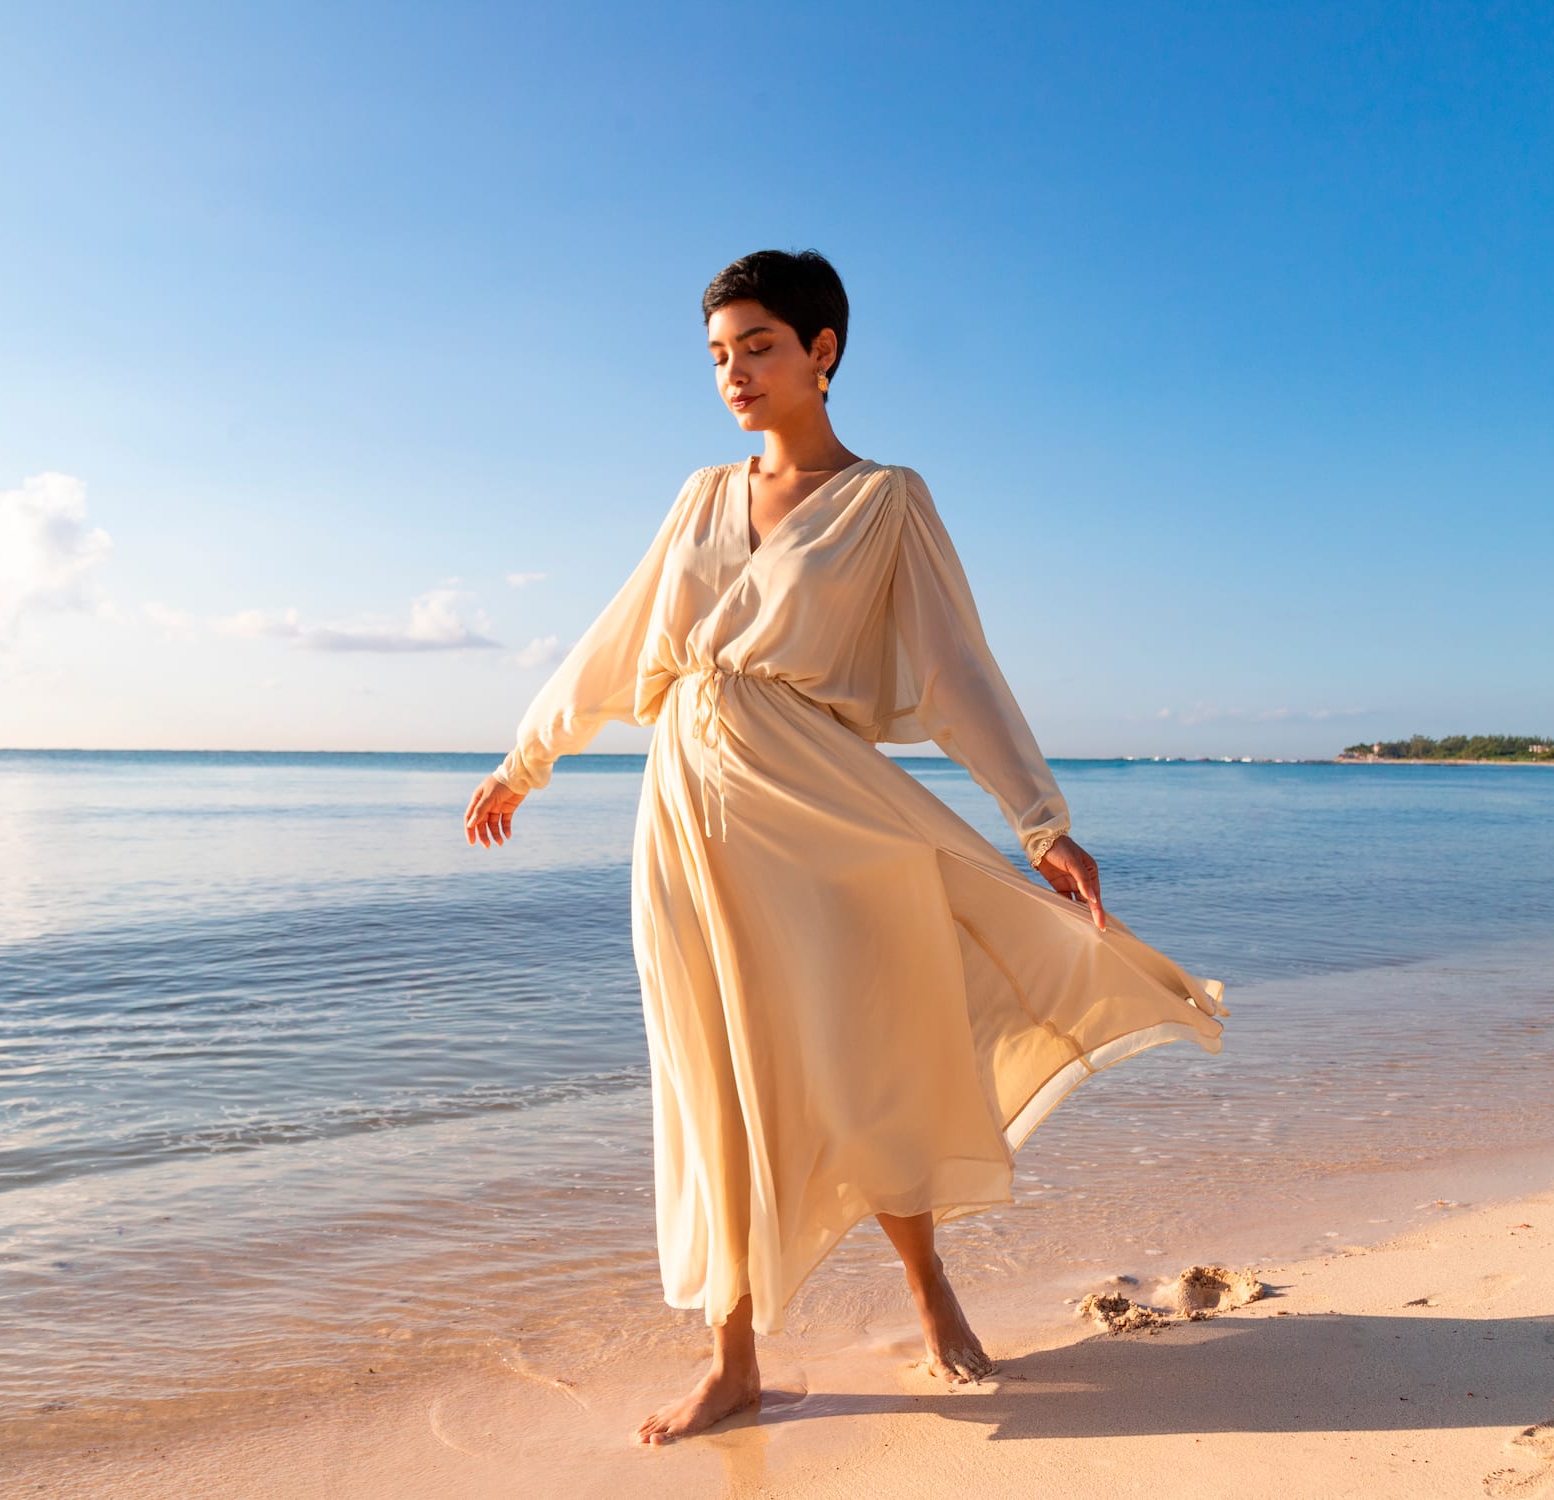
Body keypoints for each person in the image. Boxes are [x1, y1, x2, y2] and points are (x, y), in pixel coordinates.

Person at [463, 249, 1227, 1446]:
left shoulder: (885, 502)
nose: (733, 374)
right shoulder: (698, 496)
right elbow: (618, 643)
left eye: (757, 346)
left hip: (816, 807)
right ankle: (732, 1361)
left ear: (822, 350)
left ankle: (932, 1301)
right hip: (687, 817)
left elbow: (954, 668)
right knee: (712, 1074)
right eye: (718, 355)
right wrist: (526, 759)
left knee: (859, 1051)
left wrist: (1041, 821)